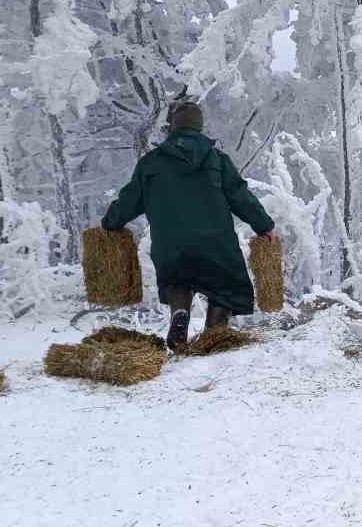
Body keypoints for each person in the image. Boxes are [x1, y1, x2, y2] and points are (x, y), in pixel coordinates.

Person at [102, 100, 279, 350]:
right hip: (216, 243)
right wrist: (265, 226)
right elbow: (241, 197)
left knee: (177, 280)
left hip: (170, 244)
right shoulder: (217, 159)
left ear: (172, 125)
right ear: (199, 126)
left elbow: (130, 200)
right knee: (226, 285)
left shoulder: (151, 162)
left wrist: (110, 223)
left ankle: (180, 312)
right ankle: (214, 334)